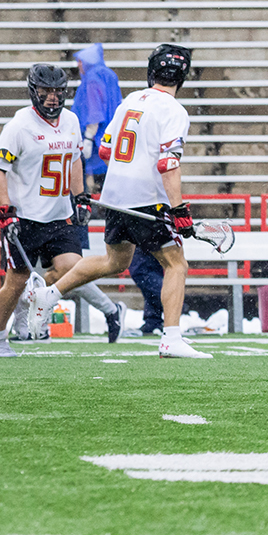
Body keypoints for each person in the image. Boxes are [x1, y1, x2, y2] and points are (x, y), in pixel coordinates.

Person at [28, 45, 211, 359]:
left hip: (114, 196)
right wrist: (179, 208)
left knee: (115, 262)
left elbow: (106, 151)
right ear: (183, 76)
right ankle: (171, 337)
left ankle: (49, 294)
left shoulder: (132, 100)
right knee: (176, 264)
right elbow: (168, 163)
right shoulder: (174, 110)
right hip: (147, 199)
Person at [0, 64, 123, 357]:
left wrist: (80, 197)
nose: (52, 98)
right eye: (46, 92)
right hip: (26, 216)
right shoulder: (20, 125)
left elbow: (73, 159)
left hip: (60, 215)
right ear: (34, 92)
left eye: (58, 92)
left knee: (72, 269)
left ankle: (38, 299)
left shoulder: (71, 120)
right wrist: (6, 210)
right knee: (16, 280)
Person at [71, 43, 122, 193]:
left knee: (96, 181)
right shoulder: (109, 75)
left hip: (96, 139)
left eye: (80, 62)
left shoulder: (92, 79)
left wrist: (87, 137)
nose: (78, 66)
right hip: (112, 134)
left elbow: (94, 110)